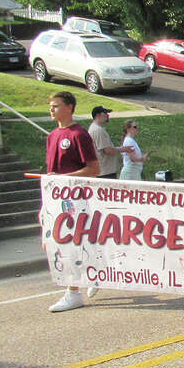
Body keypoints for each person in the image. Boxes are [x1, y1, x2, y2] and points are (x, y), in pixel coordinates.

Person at [46, 91, 101, 312]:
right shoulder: (52, 136)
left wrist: (64, 179)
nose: (51, 109)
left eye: (56, 105)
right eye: (50, 106)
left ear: (69, 107)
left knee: (73, 244)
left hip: (77, 199)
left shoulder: (79, 135)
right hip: (57, 199)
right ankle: (95, 271)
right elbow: (51, 173)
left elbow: (94, 169)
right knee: (66, 244)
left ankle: (73, 291)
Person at [87, 106, 129, 179]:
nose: (108, 115)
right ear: (98, 115)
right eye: (105, 113)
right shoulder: (98, 130)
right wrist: (123, 149)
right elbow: (108, 150)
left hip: (104, 171)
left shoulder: (96, 128)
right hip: (105, 173)